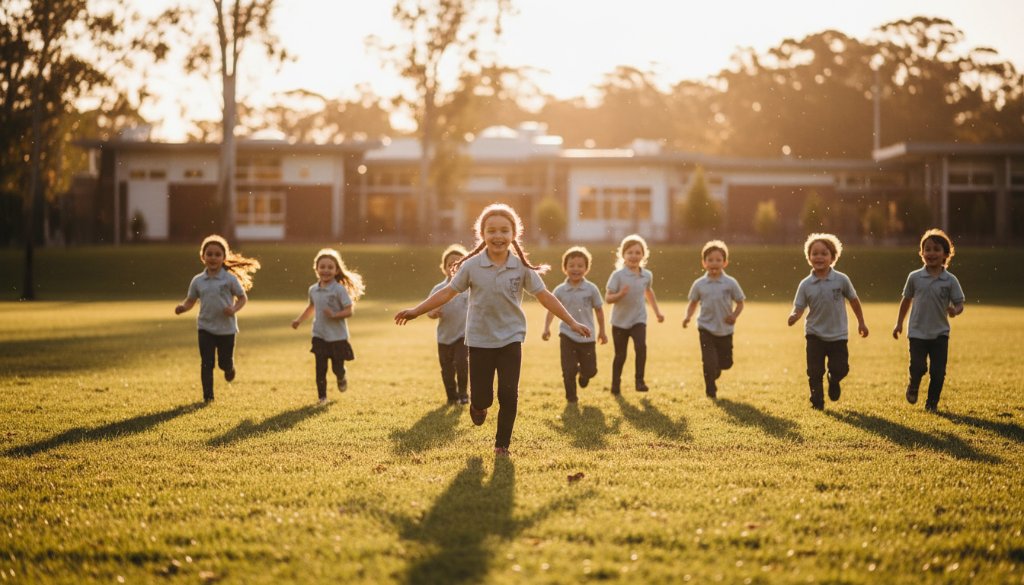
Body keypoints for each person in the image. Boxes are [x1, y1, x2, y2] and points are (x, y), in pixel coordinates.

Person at [394, 203, 591, 457]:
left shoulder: (520, 267)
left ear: (514, 234)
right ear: (482, 234)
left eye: (504, 230)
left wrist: (572, 322)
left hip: (511, 338)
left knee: (509, 394)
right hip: (479, 340)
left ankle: (502, 445)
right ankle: (477, 406)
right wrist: (415, 311)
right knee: (482, 398)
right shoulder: (472, 266)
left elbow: (545, 296)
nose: (498, 236)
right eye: (492, 230)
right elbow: (447, 292)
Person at [174, 234, 260, 402]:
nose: (213, 258)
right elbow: (191, 300)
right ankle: (208, 397)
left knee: (223, 363)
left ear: (224, 257)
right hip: (205, 328)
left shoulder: (229, 279)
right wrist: (183, 307)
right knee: (207, 363)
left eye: (217, 254)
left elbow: (242, 298)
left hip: (226, 329)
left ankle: (229, 368)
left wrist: (234, 308)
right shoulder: (198, 281)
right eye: (209, 254)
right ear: (203, 256)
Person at [788, 233, 869, 410]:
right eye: (815, 253)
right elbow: (799, 306)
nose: (819, 257)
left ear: (833, 257)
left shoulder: (841, 280)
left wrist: (861, 322)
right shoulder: (806, 284)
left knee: (841, 368)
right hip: (814, 334)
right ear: (809, 258)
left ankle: (834, 380)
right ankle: (817, 401)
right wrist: (794, 315)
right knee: (814, 372)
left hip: (838, 335)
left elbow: (854, 300)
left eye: (824, 253)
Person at [892, 229, 965, 412]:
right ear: (921, 253)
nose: (931, 253)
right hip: (917, 331)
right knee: (918, 366)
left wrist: (954, 311)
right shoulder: (914, 277)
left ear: (946, 255)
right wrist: (899, 323)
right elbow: (906, 300)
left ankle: (931, 404)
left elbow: (959, 303)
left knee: (938, 373)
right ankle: (914, 384)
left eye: (936, 249)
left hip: (940, 333)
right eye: (927, 249)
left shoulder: (950, 280)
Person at [291, 248, 365, 405]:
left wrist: (335, 315)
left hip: (338, 336)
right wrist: (299, 320)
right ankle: (322, 398)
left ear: (337, 270)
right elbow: (311, 307)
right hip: (319, 335)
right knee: (320, 369)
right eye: (322, 266)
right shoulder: (313, 289)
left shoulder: (339, 289)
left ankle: (341, 376)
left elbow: (349, 310)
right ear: (316, 269)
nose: (326, 270)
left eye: (330, 267)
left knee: (336, 368)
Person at [542, 246, 608, 403]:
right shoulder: (560, 290)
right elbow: (551, 310)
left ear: (586, 268)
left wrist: (602, 332)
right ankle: (571, 397)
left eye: (580, 266)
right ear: (565, 268)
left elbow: (599, 311)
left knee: (591, 370)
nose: (575, 269)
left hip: (587, 336)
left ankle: (584, 374)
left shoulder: (591, 289)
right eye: (571, 265)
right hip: (567, 334)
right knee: (568, 369)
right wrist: (546, 328)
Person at [682, 240, 745, 399]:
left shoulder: (730, 283)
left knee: (726, 364)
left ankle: (715, 371)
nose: (714, 263)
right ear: (704, 263)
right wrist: (688, 317)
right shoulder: (699, 284)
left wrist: (734, 316)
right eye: (710, 260)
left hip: (725, 329)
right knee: (708, 362)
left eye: (718, 260)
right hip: (705, 328)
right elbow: (693, 303)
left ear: (725, 262)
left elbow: (740, 302)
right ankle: (711, 390)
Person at [605, 234, 664, 394]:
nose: (634, 256)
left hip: (638, 319)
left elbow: (648, 292)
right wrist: (620, 295)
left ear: (643, 255)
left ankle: (639, 381)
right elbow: (608, 298)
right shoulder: (617, 276)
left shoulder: (647, 275)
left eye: (638, 252)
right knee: (620, 355)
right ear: (623, 255)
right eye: (630, 252)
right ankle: (615, 384)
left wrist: (657, 312)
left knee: (641, 347)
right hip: (619, 322)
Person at [426, 244, 470, 405]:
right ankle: (452, 397)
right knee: (447, 369)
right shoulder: (439, 288)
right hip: (444, 336)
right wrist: (433, 313)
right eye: (450, 263)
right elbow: (429, 311)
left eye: (459, 263)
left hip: (463, 335)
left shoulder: (469, 288)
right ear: (444, 268)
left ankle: (464, 394)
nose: (454, 266)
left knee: (462, 363)